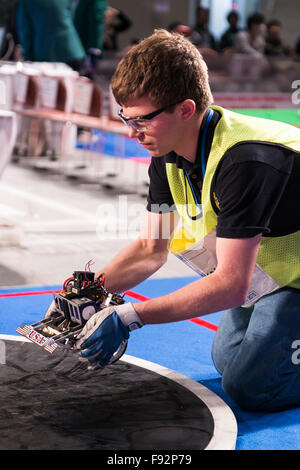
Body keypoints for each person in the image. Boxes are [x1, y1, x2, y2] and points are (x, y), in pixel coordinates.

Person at [69, 29, 300, 412]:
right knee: (227, 361)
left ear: (186, 109)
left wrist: (131, 315)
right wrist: (86, 295)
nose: (131, 132)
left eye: (142, 120)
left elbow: (229, 286)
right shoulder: (169, 154)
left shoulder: (245, 161)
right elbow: (149, 249)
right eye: (126, 117)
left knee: (251, 387)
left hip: (284, 279)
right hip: (276, 276)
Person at [16, 0, 86, 70]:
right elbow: (72, 18)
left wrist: (28, 59)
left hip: (45, 55)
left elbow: (25, 33)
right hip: (72, 51)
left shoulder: (26, 2)